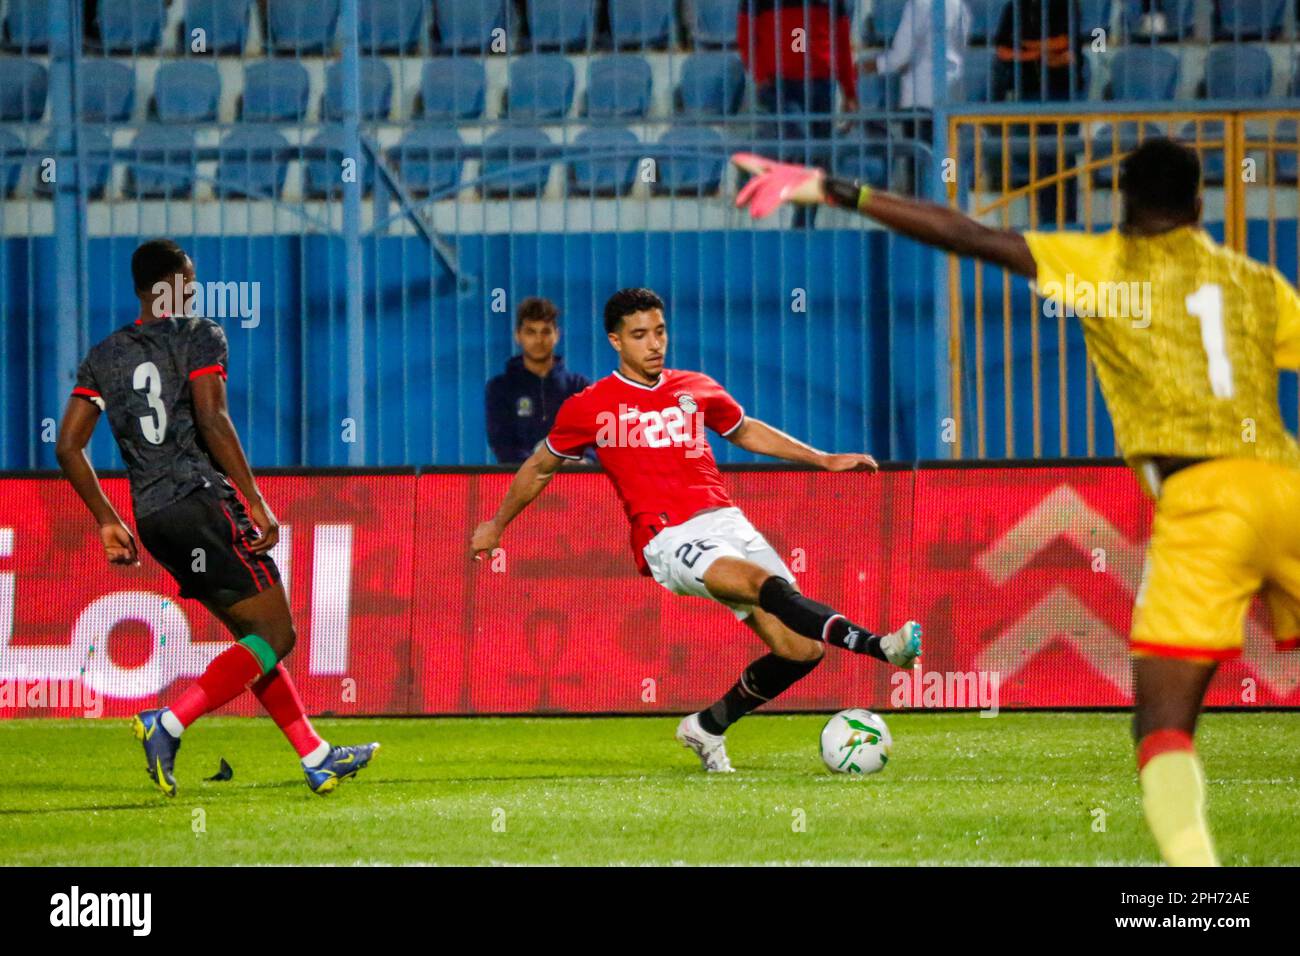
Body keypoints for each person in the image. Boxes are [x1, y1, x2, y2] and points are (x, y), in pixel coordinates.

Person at [732, 138, 1300, 865]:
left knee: (1163, 725)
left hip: (1202, 506)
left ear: (1121, 207)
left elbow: (968, 234)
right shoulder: (1254, 281)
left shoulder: (1104, 266)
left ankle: (1197, 896)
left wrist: (830, 188)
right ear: (1200, 203)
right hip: (1283, 485)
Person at [471, 287, 921, 772]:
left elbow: (744, 428)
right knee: (759, 584)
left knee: (801, 649)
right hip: (668, 537)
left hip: (726, 521)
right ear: (615, 342)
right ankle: (880, 646)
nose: (654, 344)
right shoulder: (591, 405)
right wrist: (496, 525)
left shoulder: (694, 386)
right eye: (639, 335)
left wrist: (821, 458)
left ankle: (706, 728)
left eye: (659, 331)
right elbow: (539, 467)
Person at [55, 239, 378, 797]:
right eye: (191, 277)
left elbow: (67, 446)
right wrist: (254, 498)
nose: (197, 286)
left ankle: (316, 755)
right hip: (201, 502)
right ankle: (169, 723)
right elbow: (213, 418)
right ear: (172, 282)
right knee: (277, 634)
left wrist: (107, 519)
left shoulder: (103, 356)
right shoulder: (199, 335)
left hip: (154, 519)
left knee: (251, 641)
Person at [738, 0, 859, 226]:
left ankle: (803, 223)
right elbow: (746, 33)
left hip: (820, 82)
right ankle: (800, 220)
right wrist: (761, 75)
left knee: (817, 154)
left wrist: (849, 90)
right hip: (780, 83)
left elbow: (841, 41)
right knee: (806, 147)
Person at [485, 297, 591, 465]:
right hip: (522, 484)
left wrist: (582, 461)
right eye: (531, 332)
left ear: (557, 335)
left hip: (574, 483)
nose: (539, 340)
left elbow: (595, 439)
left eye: (546, 332)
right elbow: (502, 444)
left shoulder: (579, 386)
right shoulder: (500, 388)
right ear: (518, 336)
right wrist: (540, 462)